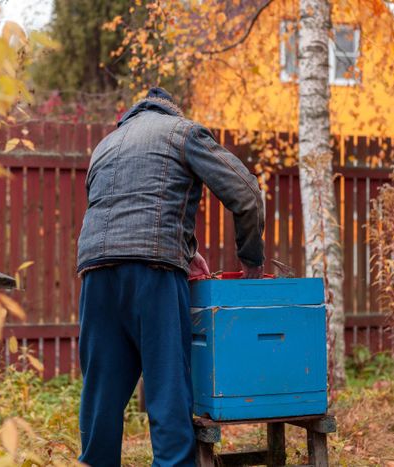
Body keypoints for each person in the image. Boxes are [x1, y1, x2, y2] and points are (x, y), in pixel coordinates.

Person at [76, 87, 265, 466]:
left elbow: (126, 210)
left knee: (100, 398)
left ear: (131, 114)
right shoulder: (183, 133)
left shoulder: (105, 147)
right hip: (154, 277)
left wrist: (186, 253)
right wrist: (251, 262)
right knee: (168, 393)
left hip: (95, 273)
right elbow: (247, 195)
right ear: (171, 111)